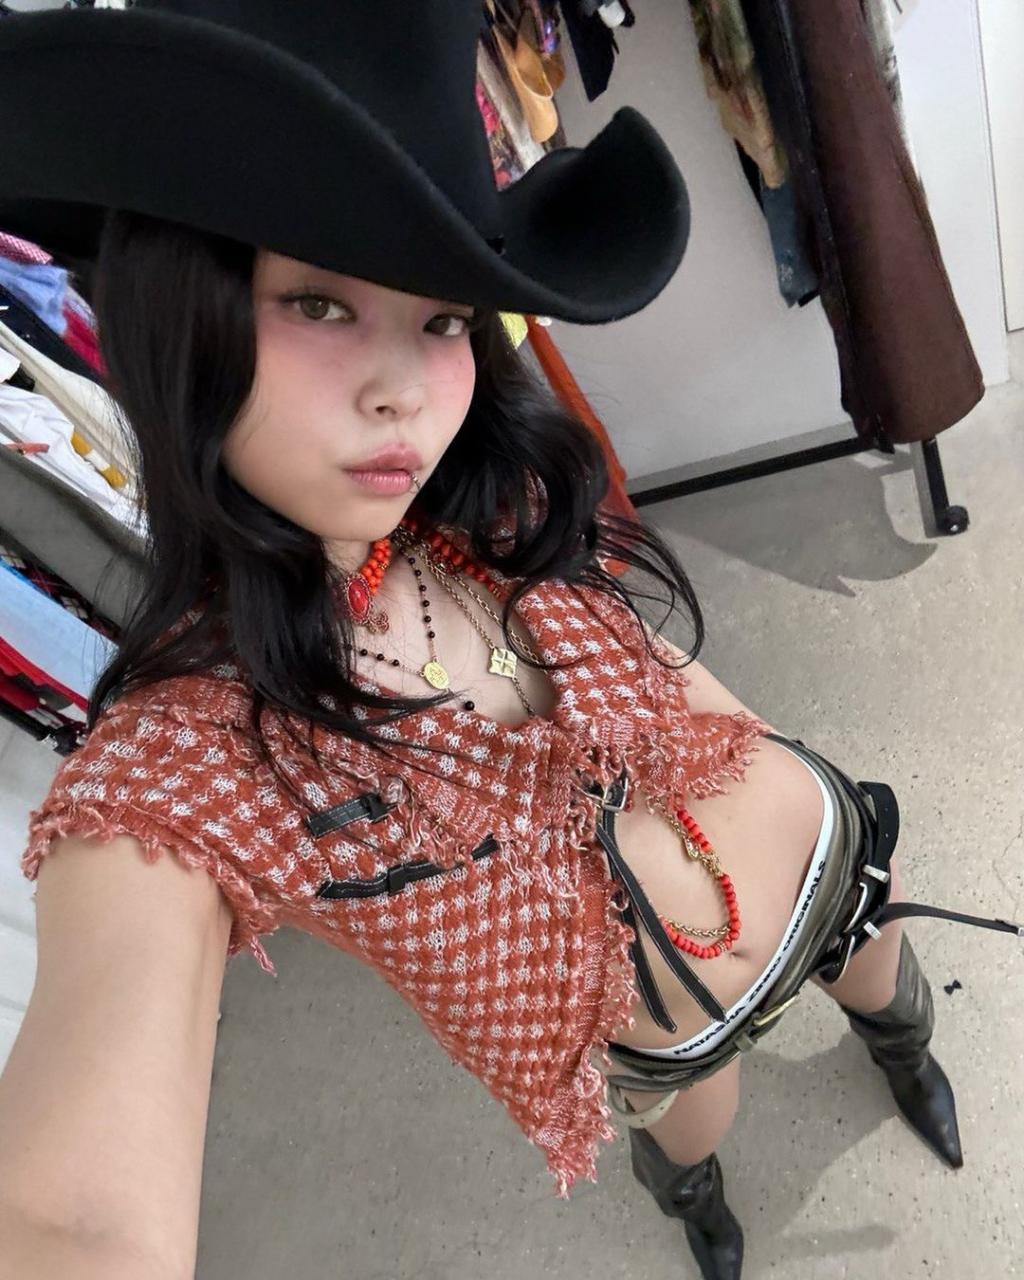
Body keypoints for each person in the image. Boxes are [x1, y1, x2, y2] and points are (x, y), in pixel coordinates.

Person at [0, 5, 1018, 1279]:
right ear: (175, 317)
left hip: (822, 844)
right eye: (317, 301)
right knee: (687, 1147)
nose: (406, 391)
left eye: (441, 320)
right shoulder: (199, 752)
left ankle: (904, 1051)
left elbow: (647, 662)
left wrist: (757, 740)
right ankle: (698, 1200)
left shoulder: (489, 497)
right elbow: (72, 1219)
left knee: (892, 991)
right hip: (667, 1035)